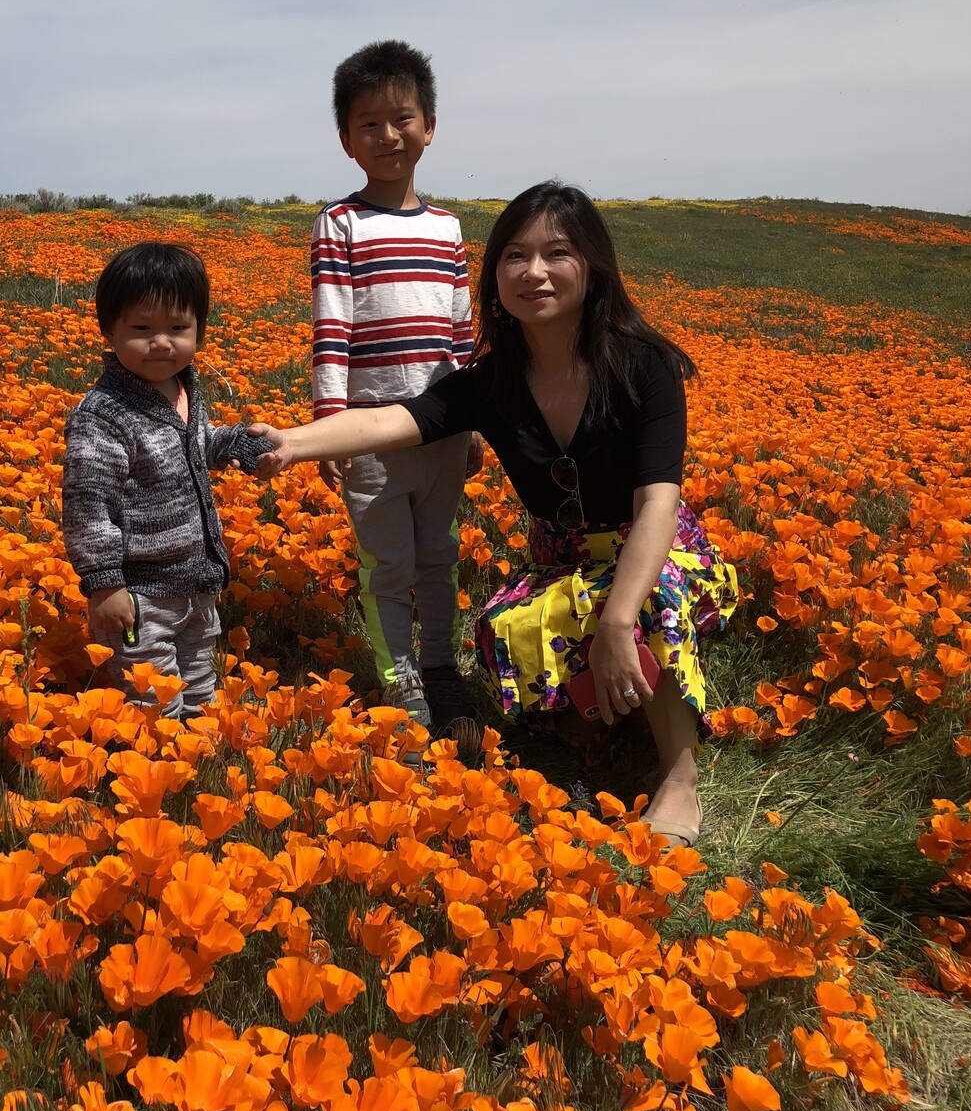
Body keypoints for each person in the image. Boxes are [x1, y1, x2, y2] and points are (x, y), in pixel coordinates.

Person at [255, 181, 740, 845]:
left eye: (555, 253)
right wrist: (290, 444)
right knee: (504, 630)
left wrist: (617, 621)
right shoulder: (492, 382)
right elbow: (391, 422)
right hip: (563, 561)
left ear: (591, 268)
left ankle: (677, 777)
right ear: (493, 275)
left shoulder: (641, 366)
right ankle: (590, 716)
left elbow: (658, 500)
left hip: (658, 552)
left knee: (640, 605)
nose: (532, 272)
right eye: (514, 256)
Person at [311, 39, 482, 736]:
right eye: (368, 124)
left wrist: (472, 422)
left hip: (441, 428)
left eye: (401, 118)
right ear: (346, 140)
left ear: (429, 126)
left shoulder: (446, 229)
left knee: (439, 558)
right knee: (386, 565)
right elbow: (331, 330)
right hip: (369, 435)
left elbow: (462, 336)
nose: (387, 136)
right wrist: (328, 427)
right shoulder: (340, 224)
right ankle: (398, 678)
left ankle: (440, 668)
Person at [62, 241, 270, 718]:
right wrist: (104, 584)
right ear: (108, 330)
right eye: (141, 328)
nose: (161, 342)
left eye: (178, 328)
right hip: (139, 594)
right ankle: (156, 772)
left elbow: (193, 445)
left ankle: (193, 772)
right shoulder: (104, 415)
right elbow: (88, 507)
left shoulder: (182, 389)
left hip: (195, 583)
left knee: (199, 687)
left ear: (199, 329)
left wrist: (234, 444)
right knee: (153, 701)